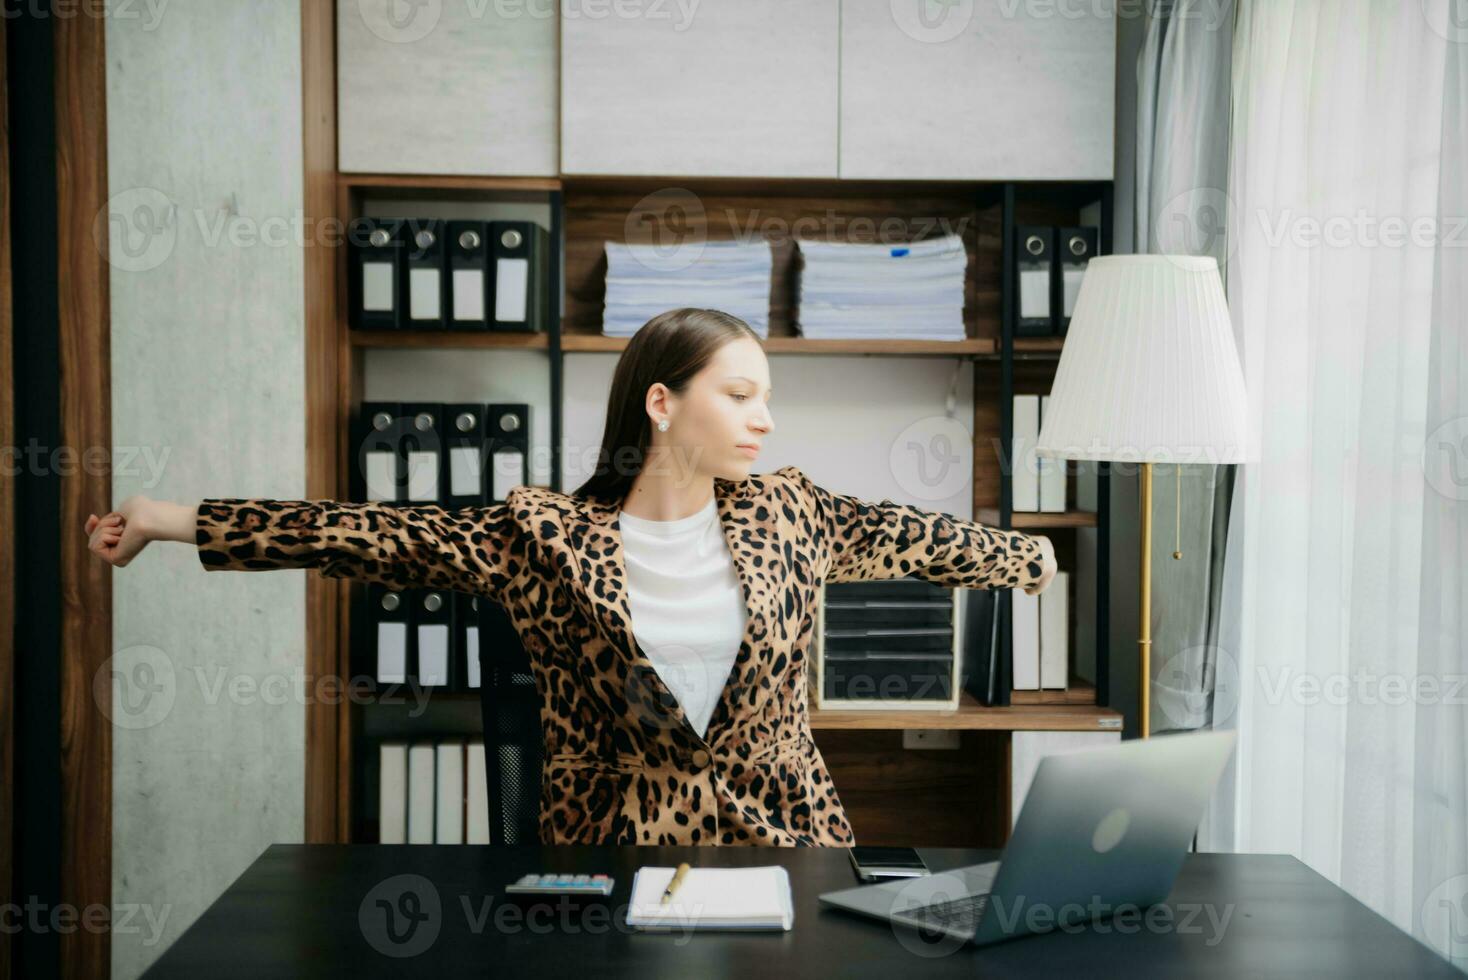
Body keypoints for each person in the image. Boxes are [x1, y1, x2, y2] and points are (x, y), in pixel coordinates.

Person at [85, 307, 1057, 846]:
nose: (764, 416)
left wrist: (1029, 556)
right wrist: (171, 519)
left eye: (769, 395)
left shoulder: (789, 513)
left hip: (786, 849)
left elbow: (909, 535)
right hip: (606, 861)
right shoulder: (543, 538)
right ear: (664, 402)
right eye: (740, 391)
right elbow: (371, 534)